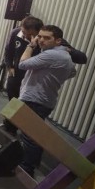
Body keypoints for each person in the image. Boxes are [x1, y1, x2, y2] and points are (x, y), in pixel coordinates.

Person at [2, 15, 86, 134]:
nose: (25, 35)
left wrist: (68, 50)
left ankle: (25, 136)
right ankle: (8, 128)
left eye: (29, 34)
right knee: (12, 106)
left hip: (33, 81)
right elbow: (8, 50)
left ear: (38, 32)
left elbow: (82, 58)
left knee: (29, 122)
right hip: (16, 77)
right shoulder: (16, 32)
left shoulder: (53, 42)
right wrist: (9, 66)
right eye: (23, 32)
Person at [17, 25, 76, 177]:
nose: (41, 40)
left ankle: (27, 168)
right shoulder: (65, 56)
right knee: (33, 134)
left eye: (46, 38)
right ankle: (31, 162)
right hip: (43, 100)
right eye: (40, 36)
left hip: (35, 100)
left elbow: (22, 64)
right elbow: (72, 73)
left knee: (30, 136)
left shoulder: (51, 55)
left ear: (58, 41)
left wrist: (31, 45)